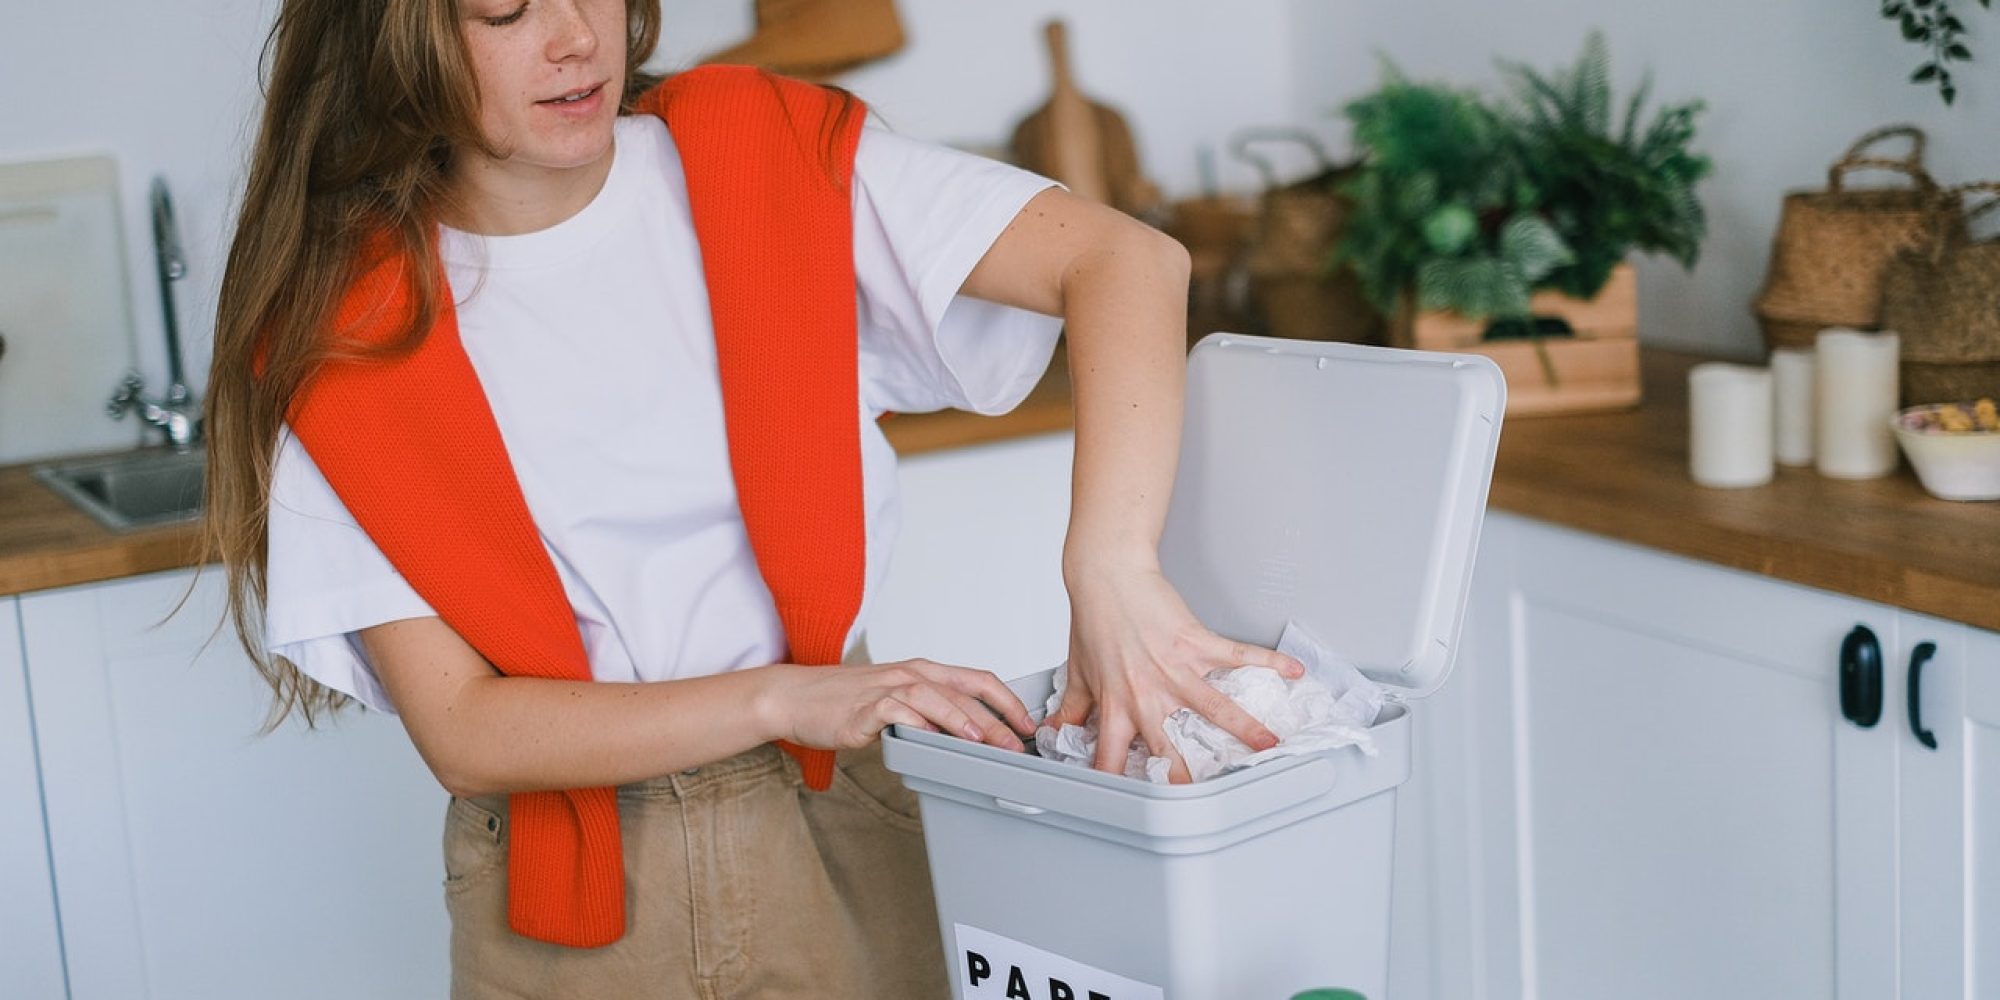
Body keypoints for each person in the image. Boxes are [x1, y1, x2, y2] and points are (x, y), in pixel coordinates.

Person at [203, 0, 1306, 996]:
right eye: (506, 11)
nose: (576, 36)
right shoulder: (344, 331)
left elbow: (1124, 261)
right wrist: (780, 699)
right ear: (396, 35)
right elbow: (464, 730)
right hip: (562, 898)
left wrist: (1109, 567)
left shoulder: (760, 151)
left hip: (837, 815)